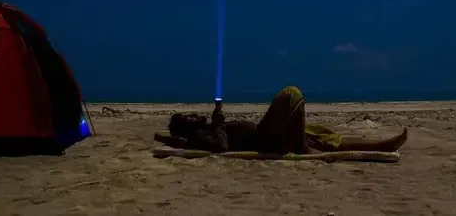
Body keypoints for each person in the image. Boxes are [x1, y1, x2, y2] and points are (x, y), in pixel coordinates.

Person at [154, 86, 408, 155]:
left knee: (324, 139)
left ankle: (383, 145)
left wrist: (164, 138)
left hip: (267, 136)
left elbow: (170, 139)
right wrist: (218, 121)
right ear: (187, 127)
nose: (195, 114)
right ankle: (302, 148)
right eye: (189, 117)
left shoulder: (205, 130)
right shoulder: (203, 136)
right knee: (290, 94)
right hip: (265, 141)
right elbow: (221, 147)